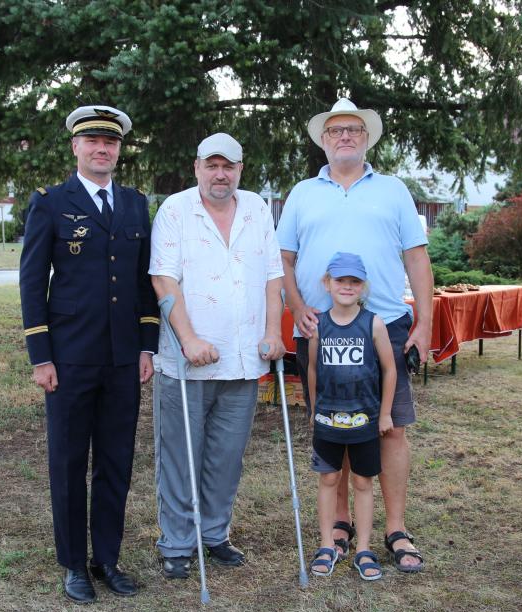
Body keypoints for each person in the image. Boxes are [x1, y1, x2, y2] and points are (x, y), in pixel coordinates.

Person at [277, 98, 433, 573]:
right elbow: (283, 259)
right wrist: (297, 307)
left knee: (391, 428)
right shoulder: (302, 193)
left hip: (385, 325)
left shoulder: (393, 190)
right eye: (335, 130)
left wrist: (425, 322)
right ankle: (341, 524)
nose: (344, 136)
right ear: (323, 140)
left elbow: (416, 257)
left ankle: (396, 528)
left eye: (354, 130)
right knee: (333, 424)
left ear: (367, 139)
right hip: (319, 329)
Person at [19, 105, 159, 603]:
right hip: (70, 357)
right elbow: (32, 281)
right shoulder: (51, 202)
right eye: (93, 141)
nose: (103, 149)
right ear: (76, 147)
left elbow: (143, 281)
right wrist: (41, 356)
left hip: (123, 358)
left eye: (111, 142)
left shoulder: (135, 204)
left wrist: (146, 345)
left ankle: (107, 559)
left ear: (119, 149)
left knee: (116, 462)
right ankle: (74, 564)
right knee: (69, 461)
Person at [150, 132, 286, 579]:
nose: (220, 174)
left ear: (240, 170)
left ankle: (213, 534)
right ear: (197, 168)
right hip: (186, 363)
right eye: (212, 165)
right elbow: (163, 279)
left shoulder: (257, 208)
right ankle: (177, 542)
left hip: (243, 360)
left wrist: (272, 332)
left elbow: (272, 277)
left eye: (228, 166)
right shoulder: (175, 210)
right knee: (179, 456)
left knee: (227, 456)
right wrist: (188, 338)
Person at [306, 252, 396, 581]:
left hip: (365, 420)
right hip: (327, 421)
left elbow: (389, 370)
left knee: (362, 481)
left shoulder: (373, 323)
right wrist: (314, 409)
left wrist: (384, 414)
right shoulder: (319, 325)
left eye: (354, 281)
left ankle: (364, 549)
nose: (347, 286)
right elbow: (313, 369)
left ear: (363, 286)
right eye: (340, 280)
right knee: (329, 479)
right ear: (327, 284)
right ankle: (326, 544)